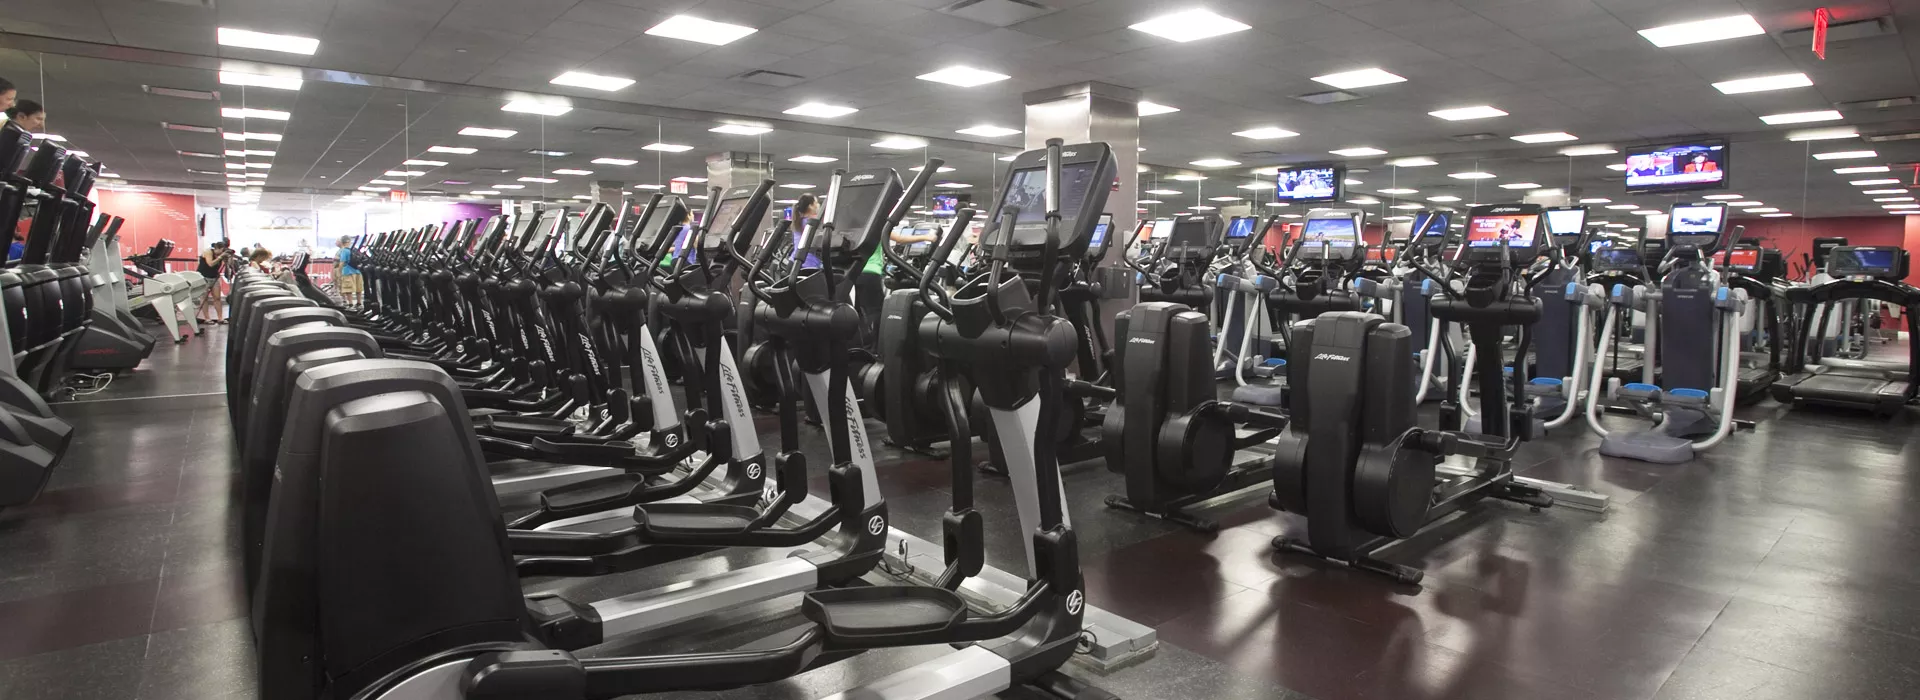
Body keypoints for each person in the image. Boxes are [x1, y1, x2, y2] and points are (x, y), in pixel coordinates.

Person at [197, 241, 233, 325]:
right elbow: (210, 264)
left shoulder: (220, 255)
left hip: (214, 277)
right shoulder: (208, 252)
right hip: (204, 277)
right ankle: (207, 318)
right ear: (218, 248)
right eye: (222, 250)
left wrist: (228, 259)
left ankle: (220, 318)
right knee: (204, 298)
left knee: (217, 298)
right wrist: (221, 257)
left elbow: (229, 265)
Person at [334, 236, 362, 307]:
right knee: (358, 288)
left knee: (348, 288)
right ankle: (359, 302)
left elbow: (342, 262)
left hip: (347, 272)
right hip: (358, 271)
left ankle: (350, 303)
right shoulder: (354, 250)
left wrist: (339, 272)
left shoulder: (344, 251)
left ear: (342, 242)